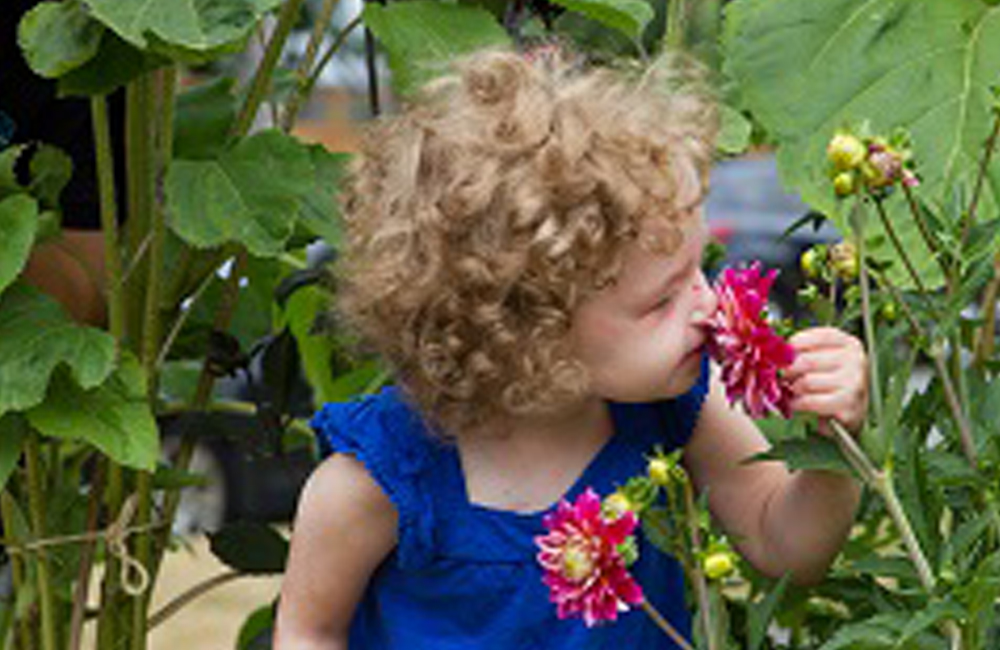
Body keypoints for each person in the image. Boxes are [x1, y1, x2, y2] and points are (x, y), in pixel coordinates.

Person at [275, 48, 867, 649]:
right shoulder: (380, 479)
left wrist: (833, 450)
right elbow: (309, 632)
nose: (709, 306)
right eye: (661, 301)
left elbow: (786, 545)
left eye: (698, 271)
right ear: (529, 331)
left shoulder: (676, 410)